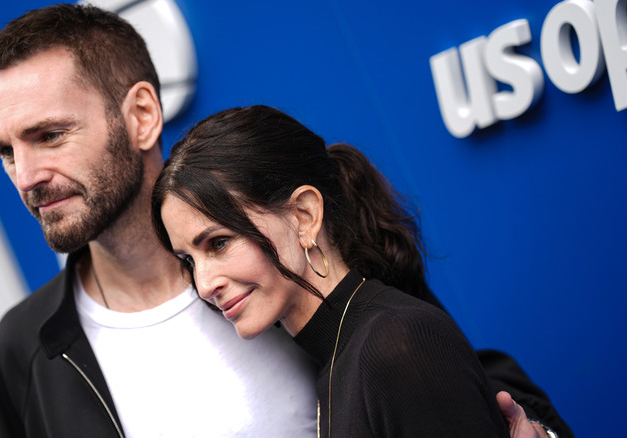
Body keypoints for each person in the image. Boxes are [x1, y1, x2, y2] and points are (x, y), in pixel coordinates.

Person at [0, 4, 570, 437]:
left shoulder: (285, 255)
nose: (25, 176)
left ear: (141, 116)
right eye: (5, 151)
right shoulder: (22, 351)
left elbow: (447, 373)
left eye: (49, 135)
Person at [151, 105, 573, 437]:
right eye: (188, 260)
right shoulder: (339, 366)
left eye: (219, 243)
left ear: (304, 214)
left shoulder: (396, 344)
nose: (205, 284)